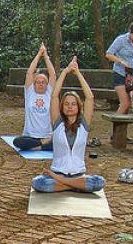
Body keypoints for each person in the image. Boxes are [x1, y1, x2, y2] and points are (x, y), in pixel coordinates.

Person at [32, 57, 106, 193]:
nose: (70, 107)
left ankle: (66, 184)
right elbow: (54, 96)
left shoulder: (83, 124)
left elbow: (90, 98)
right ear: (62, 107)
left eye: (73, 104)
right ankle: (75, 186)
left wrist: (77, 72)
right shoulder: (57, 123)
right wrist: (65, 72)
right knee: (38, 183)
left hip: (77, 174)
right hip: (59, 172)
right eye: (66, 104)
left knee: (99, 182)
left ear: (78, 107)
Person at [13, 43, 57, 151]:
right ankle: (41, 145)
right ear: (34, 83)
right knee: (17, 141)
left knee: (62, 142)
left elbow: (53, 74)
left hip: (48, 135)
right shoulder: (30, 92)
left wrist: (45, 56)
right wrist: (39, 54)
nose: (41, 84)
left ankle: (38, 146)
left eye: (43, 82)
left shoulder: (49, 93)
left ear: (47, 84)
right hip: (30, 135)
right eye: (38, 82)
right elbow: (29, 73)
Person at [106, 21, 133, 114]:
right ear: (130, 32)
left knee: (128, 105)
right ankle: (116, 123)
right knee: (124, 103)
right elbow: (108, 54)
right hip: (120, 74)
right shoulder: (121, 40)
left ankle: (121, 126)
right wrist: (121, 61)